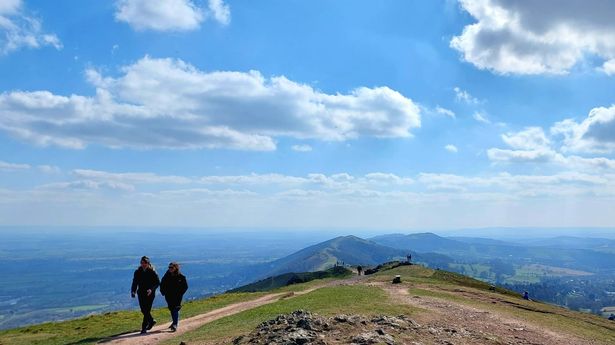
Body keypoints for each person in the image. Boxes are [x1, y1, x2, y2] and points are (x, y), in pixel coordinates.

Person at [131, 256, 160, 334]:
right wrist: (133, 291)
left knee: (147, 310)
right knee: (143, 310)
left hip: (149, 294)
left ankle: (144, 328)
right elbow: (135, 282)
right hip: (141, 293)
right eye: (142, 263)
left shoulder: (152, 272)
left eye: (145, 263)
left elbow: (157, 283)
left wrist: (151, 289)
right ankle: (151, 321)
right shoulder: (137, 272)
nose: (143, 264)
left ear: (148, 263)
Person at [160, 262, 188, 332]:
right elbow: (162, 283)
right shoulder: (167, 275)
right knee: (171, 308)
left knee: (175, 308)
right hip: (168, 295)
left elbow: (185, 286)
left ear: (175, 268)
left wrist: (180, 293)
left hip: (177, 296)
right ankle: (174, 322)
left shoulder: (181, 276)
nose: (170, 269)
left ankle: (175, 324)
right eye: (169, 267)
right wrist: (163, 292)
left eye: (171, 267)